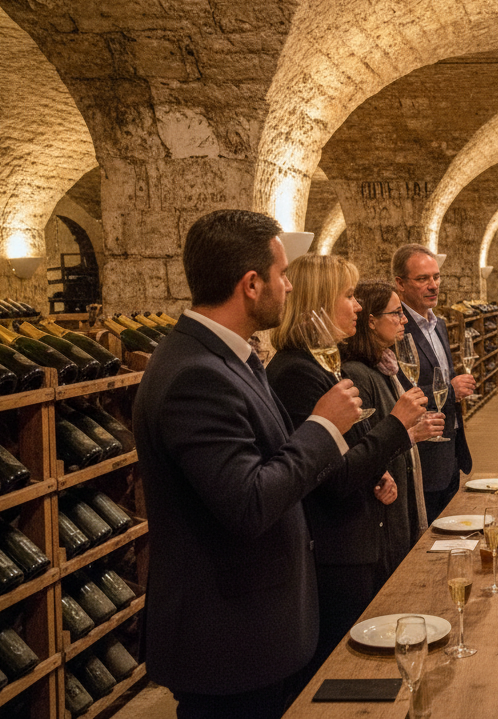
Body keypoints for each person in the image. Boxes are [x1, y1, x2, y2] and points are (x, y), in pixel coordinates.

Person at [134, 209, 361, 719]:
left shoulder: (227, 358)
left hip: (256, 626)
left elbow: (274, 457)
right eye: (283, 275)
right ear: (252, 284)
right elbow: (249, 501)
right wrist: (324, 429)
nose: (288, 286)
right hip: (228, 637)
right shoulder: (196, 374)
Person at [263, 256, 437, 679]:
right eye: (347, 296)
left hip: (358, 537)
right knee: (348, 670)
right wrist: (396, 425)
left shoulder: (323, 366)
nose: (357, 307)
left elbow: (343, 452)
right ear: (318, 304)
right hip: (337, 548)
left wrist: (377, 471)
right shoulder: (297, 373)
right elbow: (333, 476)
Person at [340, 279, 440, 567]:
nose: (404, 319)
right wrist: (408, 434)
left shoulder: (384, 366)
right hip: (378, 513)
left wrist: (411, 433)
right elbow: (365, 444)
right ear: (371, 321)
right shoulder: (358, 375)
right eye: (396, 313)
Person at [393, 244, 477, 520]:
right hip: (423, 454)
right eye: (422, 279)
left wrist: (454, 391)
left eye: (436, 277)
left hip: (450, 446)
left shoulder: (438, 324)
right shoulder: (395, 330)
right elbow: (399, 394)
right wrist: (449, 390)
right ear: (400, 283)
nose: (433, 285)